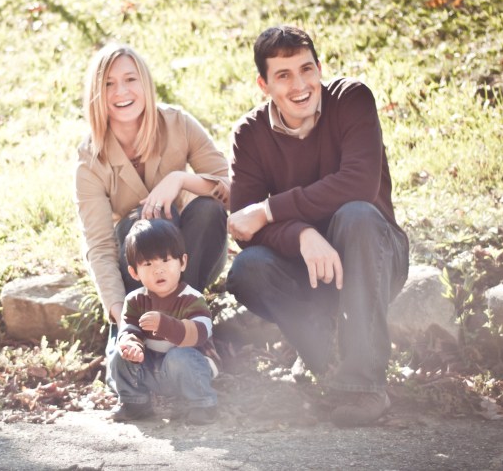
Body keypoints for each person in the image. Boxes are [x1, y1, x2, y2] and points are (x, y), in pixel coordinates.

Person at [226, 25, 409, 427]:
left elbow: (358, 184)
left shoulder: (352, 100)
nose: (300, 85)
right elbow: (244, 227)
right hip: (306, 268)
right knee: (248, 269)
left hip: (373, 255)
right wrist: (302, 234)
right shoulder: (250, 134)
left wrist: (270, 209)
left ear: (319, 68)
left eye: (306, 69)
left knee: (356, 214)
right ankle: (323, 358)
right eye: (284, 75)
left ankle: (365, 385)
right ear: (264, 85)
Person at [74, 43, 229, 373]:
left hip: (190, 258)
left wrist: (179, 179)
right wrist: (121, 318)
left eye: (130, 79)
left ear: (145, 82)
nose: (121, 92)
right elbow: (99, 246)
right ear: (97, 94)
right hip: (137, 274)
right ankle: (136, 334)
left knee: (207, 209)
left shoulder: (178, 123)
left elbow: (229, 187)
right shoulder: (90, 159)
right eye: (109, 84)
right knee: (137, 224)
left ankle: (193, 325)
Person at [108, 219, 219, 424]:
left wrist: (165, 325)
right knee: (119, 353)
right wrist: (131, 345)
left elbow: (200, 333)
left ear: (182, 262)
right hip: (152, 369)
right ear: (134, 272)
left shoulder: (191, 298)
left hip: (190, 368)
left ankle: (202, 402)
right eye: (148, 264)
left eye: (166, 260)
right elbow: (129, 329)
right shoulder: (135, 300)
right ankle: (135, 403)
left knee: (179, 356)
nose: (158, 270)